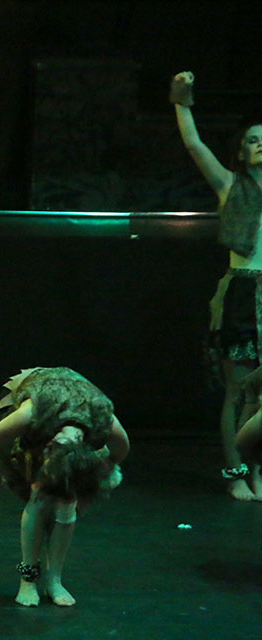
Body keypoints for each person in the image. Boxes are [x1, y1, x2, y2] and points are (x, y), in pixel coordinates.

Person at [171, 71, 262, 500]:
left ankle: (258, 469)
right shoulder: (230, 186)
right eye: (253, 140)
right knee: (239, 390)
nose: (260, 145)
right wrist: (182, 101)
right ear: (241, 151)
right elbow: (194, 145)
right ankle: (236, 472)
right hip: (243, 295)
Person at [0, 367, 129, 607]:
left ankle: (54, 579)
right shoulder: (32, 413)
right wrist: (11, 476)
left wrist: (98, 475)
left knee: (66, 501)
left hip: (75, 421)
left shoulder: (103, 418)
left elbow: (121, 450)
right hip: (42, 396)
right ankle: (28, 579)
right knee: (39, 498)